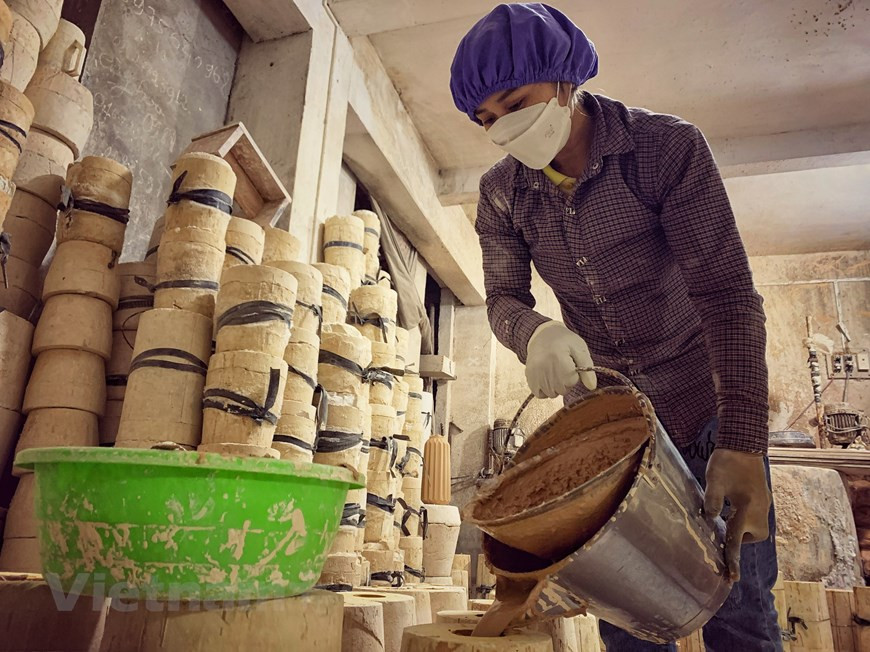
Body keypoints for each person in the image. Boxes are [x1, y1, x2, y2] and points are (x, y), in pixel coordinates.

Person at [449, 4, 780, 651]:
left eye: (516, 103)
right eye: (486, 121)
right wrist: (534, 332)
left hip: (703, 407)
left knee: (737, 608)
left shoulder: (663, 150)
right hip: (607, 433)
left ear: (567, 78)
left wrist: (741, 443)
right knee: (630, 618)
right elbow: (503, 300)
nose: (504, 132)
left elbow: (728, 297)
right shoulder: (501, 193)